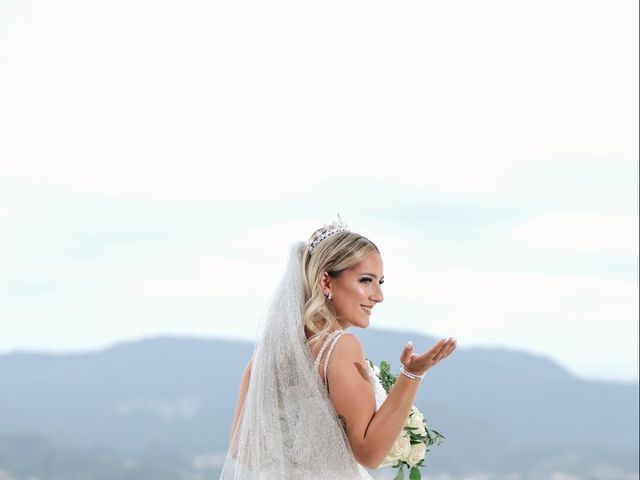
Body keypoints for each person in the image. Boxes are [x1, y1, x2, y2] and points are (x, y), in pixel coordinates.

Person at [218, 215, 457, 480]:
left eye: (380, 282)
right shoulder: (340, 346)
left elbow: (242, 449)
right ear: (327, 282)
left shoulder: (263, 360)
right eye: (366, 280)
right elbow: (369, 453)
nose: (378, 296)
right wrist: (412, 374)